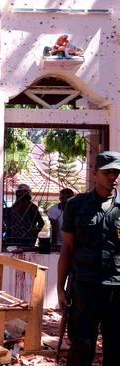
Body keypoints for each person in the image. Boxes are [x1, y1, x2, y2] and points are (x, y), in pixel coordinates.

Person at [58, 151, 120, 366]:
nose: (112, 177)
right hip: (85, 287)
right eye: (107, 172)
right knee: (82, 346)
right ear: (95, 173)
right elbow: (67, 249)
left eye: (116, 172)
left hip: (117, 288)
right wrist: (60, 288)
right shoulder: (76, 205)